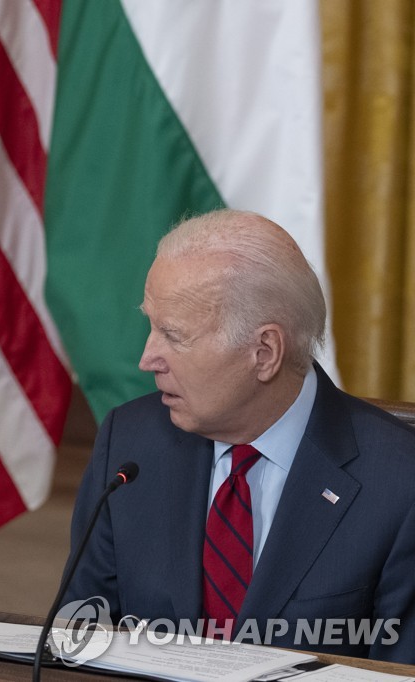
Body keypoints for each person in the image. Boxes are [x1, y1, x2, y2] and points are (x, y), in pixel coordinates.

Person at [60, 209, 415, 662]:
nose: (147, 358)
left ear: (264, 352)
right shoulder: (129, 444)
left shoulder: (400, 484)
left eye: (174, 335)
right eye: (151, 326)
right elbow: (79, 640)